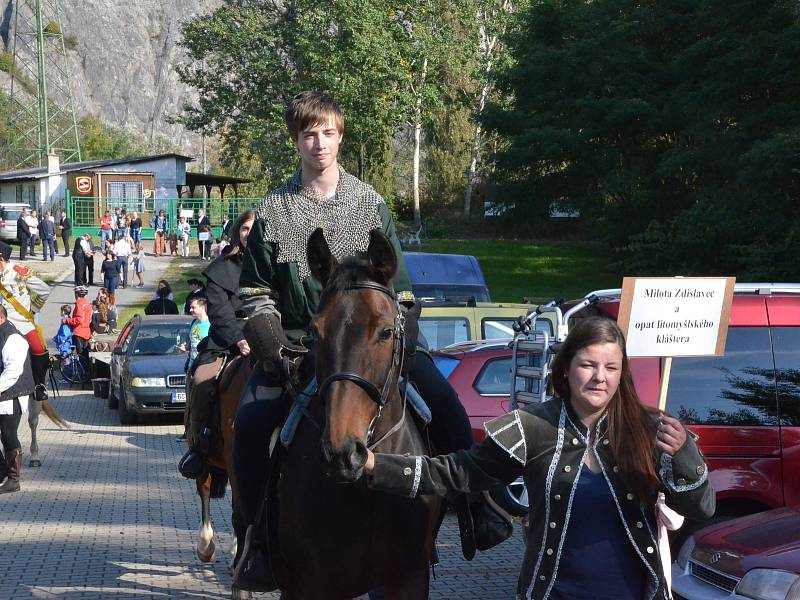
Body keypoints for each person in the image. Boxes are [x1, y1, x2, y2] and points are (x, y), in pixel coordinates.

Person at [230, 92, 506, 591]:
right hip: (300, 345)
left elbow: (399, 290)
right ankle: (258, 542)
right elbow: (252, 291)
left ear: (340, 136)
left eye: (328, 132)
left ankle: (475, 508)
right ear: (296, 140)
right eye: (309, 134)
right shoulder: (273, 210)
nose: (319, 143)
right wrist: (271, 343)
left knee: (445, 403)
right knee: (249, 426)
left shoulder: (370, 203)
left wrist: (401, 331)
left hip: (373, 342)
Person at [364, 317, 716, 599]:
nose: (599, 377)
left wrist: (684, 454)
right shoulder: (533, 426)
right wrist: (376, 466)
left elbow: (703, 508)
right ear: (565, 368)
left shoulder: (649, 428)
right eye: (588, 365)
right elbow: (457, 472)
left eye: (611, 367)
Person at [178, 211, 254, 479]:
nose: (249, 233)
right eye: (244, 228)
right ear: (237, 232)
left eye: (254, 228)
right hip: (227, 339)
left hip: (268, 334)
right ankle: (200, 446)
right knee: (202, 378)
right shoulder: (220, 268)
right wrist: (239, 338)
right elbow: (219, 311)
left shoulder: (273, 264)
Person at [0, 240, 51, 401]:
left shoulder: (19, 272)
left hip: (22, 323)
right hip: (2, 324)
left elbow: (44, 290)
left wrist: (33, 310)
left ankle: (39, 385)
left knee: (38, 349)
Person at [0, 305, 36, 494]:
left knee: (8, 435)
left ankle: (13, 480)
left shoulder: (12, 337)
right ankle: (2, 472)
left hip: (11, 394)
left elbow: (13, 371)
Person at [179, 296, 210, 371]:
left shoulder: (211, 324)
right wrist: (185, 347)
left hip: (204, 366)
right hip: (191, 366)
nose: (190, 310)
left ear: (202, 307)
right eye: (190, 307)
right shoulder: (194, 323)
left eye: (193, 307)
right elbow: (191, 342)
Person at [65, 286, 92, 364]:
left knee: (80, 354)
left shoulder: (79, 303)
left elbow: (78, 319)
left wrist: (66, 320)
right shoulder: (87, 303)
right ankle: (87, 371)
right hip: (86, 331)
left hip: (79, 332)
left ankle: (82, 372)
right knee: (85, 353)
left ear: (77, 294)